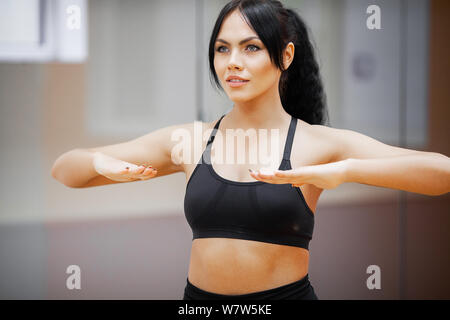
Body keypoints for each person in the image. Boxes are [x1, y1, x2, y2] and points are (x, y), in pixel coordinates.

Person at [51, 0, 450, 300]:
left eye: (251, 48)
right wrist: (97, 162)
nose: (232, 63)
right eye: (222, 49)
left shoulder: (317, 143)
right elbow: (63, 171)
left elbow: (441, 173)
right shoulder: (190, 141)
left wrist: (345, 171)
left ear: (286, 56)